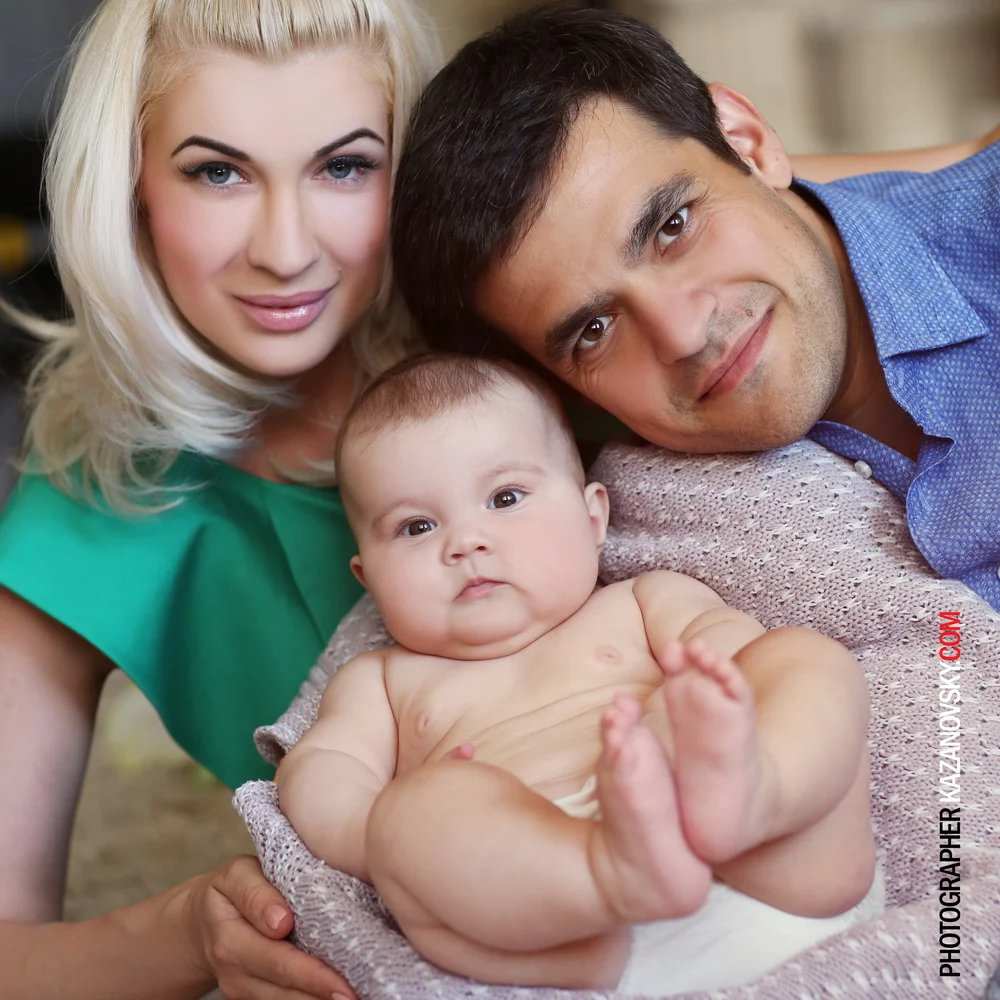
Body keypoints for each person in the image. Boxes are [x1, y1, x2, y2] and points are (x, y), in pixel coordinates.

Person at [0, 0, 439, 997]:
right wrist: (190, 934)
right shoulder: (96, 494)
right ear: (129, 184)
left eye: (344, 166)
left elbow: (794, 205)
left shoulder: (534, 331)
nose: (285, 249)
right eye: (217, 171)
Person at [277, 353, 877, 993]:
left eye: (505, 497)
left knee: (803, 659)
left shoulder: (643, 601)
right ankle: (611, 872)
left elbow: (734, 651)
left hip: (764, 864)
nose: (465, 542)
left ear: (594, 518)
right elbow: (321, 773)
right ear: (369, 579)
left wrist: (711, 706)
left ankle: (755, 792)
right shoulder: (382, 681)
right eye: (416, 526)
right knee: (406, 819)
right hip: (560, 918)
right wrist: (390, 837)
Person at [390, 3, 1000, 614]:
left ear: (749, 143)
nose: (681, 334)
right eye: (595, 331)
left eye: (672, 226)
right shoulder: (611, 535)